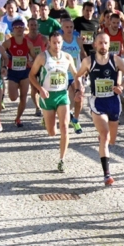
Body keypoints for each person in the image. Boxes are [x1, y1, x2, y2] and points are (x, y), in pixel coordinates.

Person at [76, 33, 124, 185]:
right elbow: (78, 76)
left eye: (106, 43)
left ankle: (103, 141)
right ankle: (107, 175)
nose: (103, 46)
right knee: (105, 135)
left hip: (113, 102)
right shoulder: (88, 61)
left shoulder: (116, 60)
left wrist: (121, 86)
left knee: (112, 140)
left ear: (109, 45)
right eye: (100, 43)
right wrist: (80, 88)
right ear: (95, 44)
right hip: (98, 102)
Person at [29, 31, 82, 173]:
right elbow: (31, 75)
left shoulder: (67, 57)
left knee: (64, 127)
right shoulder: (42, 57)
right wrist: (40, 89)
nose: (57, 45)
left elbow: (76, 75)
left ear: (62, 43)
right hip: (47, 97)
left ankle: (62, 160)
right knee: (52, 132)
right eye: (54, 42)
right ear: (49, 43)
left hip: (62, 95)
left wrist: (78, 89)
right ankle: (46, 121)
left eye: (59, 42)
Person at [2, 19, 36, 127]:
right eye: (16, 27)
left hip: (25, 72)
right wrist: (3, 66)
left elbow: (36, 58)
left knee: (23, 97)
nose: (19, 29)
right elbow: (0, 56)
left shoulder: (28, 44)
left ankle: (18, 118)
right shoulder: (8, 43)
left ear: (24, 28)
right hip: (12, 72)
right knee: (13, 97)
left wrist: (32, 63)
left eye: (21, 27)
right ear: (13, 29)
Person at [61, 19, 87, 134]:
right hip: (61, 75)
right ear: (62, 28)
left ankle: (75, 120)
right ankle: (48, 114)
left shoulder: (78, 40)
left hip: (75, 74)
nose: (69, 29)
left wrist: (86, 68)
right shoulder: (59, 42)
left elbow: (83, 55)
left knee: (80, 96)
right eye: (66, 27)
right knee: (59, 100)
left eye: (71, 27)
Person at [25, 18, 48, 117]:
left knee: (44, 87)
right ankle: (37, 107)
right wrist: (27, 61)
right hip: (30, 66)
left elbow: (48, 50)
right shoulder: (24, 39)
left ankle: (46, 106)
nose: (33, 27)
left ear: (38, 26)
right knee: (34, 87)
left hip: (42, 66)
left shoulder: (43, 39)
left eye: (35, 25)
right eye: (31, 25)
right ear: (28, 26)